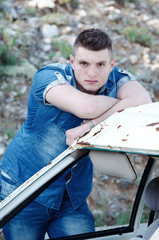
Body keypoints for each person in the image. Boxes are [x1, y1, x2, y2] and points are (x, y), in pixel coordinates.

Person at [0, 28, 151, 240]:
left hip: (72, 196)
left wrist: (90, 126)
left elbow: (144, 103)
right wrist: (125, 106)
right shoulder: (48, 77)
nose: (92, 73)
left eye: (100, 65)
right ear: (72, 62)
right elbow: (86, 108)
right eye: (84, 64)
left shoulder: (117, 78)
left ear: (112, 65)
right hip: (25, 188)